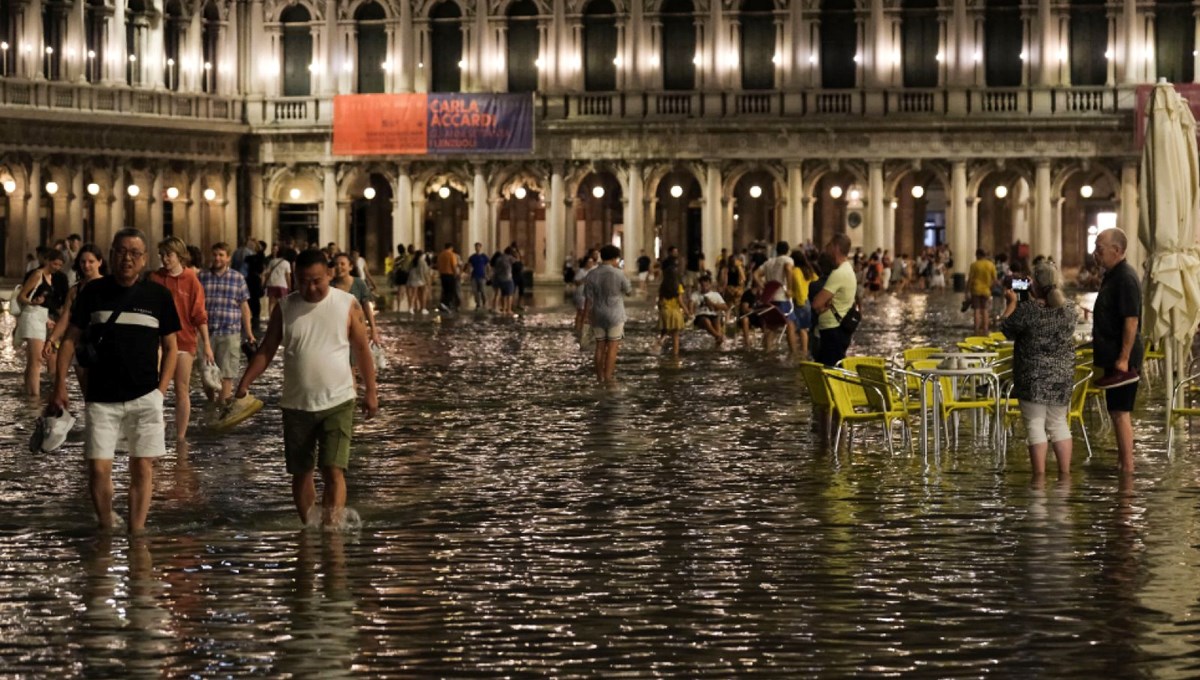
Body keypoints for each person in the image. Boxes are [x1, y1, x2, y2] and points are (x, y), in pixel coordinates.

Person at [234, 248, 378, 527]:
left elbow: (362, 349)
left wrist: (371, 391)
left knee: (333, 468)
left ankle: (331, 529)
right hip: (296, 404)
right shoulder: (285, 307)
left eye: (317, 280)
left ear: (329, 274)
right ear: (294, 279)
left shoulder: (348, 304)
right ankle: (309, 528)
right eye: (303, 281)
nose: (311, 287)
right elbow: (266, 350)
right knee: (301, 472)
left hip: (338, 400)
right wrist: (244, 383)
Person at [50, 228, 181, 533]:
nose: (127, 258)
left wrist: (161, 391)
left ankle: (137, 531)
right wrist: (60, 384)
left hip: (145, 395)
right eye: (121, 251)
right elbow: (70, 341)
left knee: (143, 466)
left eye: (134, 253)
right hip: (101, 395)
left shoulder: (158, 295)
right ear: (111, 255)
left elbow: (172, 347)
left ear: (144, 258)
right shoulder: (93, 293)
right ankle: (107, 525)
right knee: (97, 467)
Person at [1000, 260, 1079, 482]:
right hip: (1061, 376)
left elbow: (1006, 329)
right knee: (1058, 423)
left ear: (1033, 285)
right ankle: (1064, 476)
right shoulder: (1070, 310)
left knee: (1035, 425)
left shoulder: (1028, 311)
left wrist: (1011, 303)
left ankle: (1039, 479)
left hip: (1032, 376)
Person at [150, 236, 214, 441]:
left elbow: (199, 314)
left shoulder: (192, 280)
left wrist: (207, 345)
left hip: (185, 341)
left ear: (179, 255)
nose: (165, 259)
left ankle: (180, 435)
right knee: (155, 386)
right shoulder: (155, 278)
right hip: (158, 340)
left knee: (182, 388)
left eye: (169, 255)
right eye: (162, 255)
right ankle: (156, 426)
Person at [1091, 227, 1143, 475]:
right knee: (1115, 411)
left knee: (1121, 413)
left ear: (1117, 250)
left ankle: (1127, 469)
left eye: (1100, 250)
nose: (1096, 254)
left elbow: (1131, 320)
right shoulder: (1112, 275)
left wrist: (1123, 357)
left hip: (1123, 357)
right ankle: (1122, 464)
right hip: (1112, 354)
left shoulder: (1125, 277)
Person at [45, 245, 107, 395]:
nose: (86, 265)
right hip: (81, 344)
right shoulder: (75, 289)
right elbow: (66, 317)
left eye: (91, 261)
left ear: (100, 262)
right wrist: (51, 339)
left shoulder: (108, 286)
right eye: (82, 262)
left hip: (105, 345)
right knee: (87, 393)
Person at [198, 242, 257, 404]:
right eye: (215, 254)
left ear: (228, 258)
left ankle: (223, 407)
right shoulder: (202, 277)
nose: (217, 258)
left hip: (230, 332)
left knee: (227, 373)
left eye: (221, 255)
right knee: (206, 373)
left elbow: (244, 307)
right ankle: (211, 403)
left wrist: (249, 333)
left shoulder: (237, 279)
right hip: (206, 334)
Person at [16, 248, 69, 397]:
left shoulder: (51, 277)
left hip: (42, 317)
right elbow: (21, 296)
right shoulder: (37, 274)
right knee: (37, 360)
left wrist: (48, 319)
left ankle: (29, 394)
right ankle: (35, 397)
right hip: (32, 317)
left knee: (34, 360)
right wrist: (33, 302)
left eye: (60, 265)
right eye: (55, 264)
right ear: (47, 260)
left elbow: (48, 303)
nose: (57, 267)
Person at [582, 245, 633, 382]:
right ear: (615, 258)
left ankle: (600, 378)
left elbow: (588, 297)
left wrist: (586, 317)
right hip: (615, 314)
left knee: (599, 346)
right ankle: (608, 377)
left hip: (597, 313)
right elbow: (629, 291)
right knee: (612, 346)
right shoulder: (618, 273)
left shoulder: (592, 274)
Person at [810, 233, 857, 367]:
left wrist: (822, 305)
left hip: (833, 329)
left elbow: (816, 303)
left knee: (831, 370)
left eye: (829, 245)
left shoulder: (838, 273)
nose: (826, 249)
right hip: (835, 327)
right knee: (828, 368)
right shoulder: (847, 269)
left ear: (836, 248)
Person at [755, 241, 799, 354]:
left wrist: (763, 286)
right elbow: (788, 269)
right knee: (790, 325)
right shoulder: (787, 260)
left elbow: (755, 274)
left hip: (770, 298)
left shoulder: (769, 262)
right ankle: (793, 353)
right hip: (782, 298)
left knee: (771, 326)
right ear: (787, 251)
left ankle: (767, 351)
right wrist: (789, 288)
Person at [331, 252, 382, 344]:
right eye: (336, 264)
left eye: (342, 264)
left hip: (356, 329)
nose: (339, 267)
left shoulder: (359, 284)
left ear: (350, 267)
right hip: (335, 331)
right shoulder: (329, 286)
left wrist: (373, 330)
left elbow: (367, 308)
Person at [965, 249, 998, 335]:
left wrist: (967, 291)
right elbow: (995, 280)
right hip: (986, 291)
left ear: (978, 255)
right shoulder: (991, 265)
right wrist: (989, 287)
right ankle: (985, 329)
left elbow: (970, 279)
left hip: (975, 290)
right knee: (985, 310)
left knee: (976, 310)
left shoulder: (974, 265)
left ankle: (976, 329)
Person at [691, 275, 727, 348]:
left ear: (710, 284)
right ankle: (718, 336)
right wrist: (690, 312)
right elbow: (691, 303)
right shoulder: (695, 294)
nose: (704, 287)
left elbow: (725, 307)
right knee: (706, 320)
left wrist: (712, 304)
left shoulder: (715, 294)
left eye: (706, 285)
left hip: (713, 315)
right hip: (701, 316)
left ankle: (718, 342)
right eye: (702, 285)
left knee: (717, 320)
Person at [657, 267, 686, 357]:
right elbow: (681, 302)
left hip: (665, 312)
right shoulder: (678, 286)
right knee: (675, 336)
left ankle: (657, 346)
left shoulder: (662, 286)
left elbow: (659, 302)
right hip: (674, 313)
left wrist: (660, 311)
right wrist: (688, 312)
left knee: (664, 332)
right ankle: (675, 357)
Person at [263, 245, 292, 317]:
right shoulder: (286, 263)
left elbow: (268, 273)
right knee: (282, 303)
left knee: (271, 303)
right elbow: (288, 276)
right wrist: (289, 286)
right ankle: (281, 318)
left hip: (272, 283)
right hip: (282, 285)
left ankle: (271, 318)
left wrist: (264, 283)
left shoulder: (272, 262)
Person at [436, 243, 461, 311]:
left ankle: (443, 304)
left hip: (442, 275)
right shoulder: (452, 255)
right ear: (451, 247)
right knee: (451, 291)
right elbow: (454, 265)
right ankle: (447, 304)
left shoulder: (440, 254)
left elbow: (438, 265)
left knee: (445, 290)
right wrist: (456, 274)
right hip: (450, 274)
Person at [406, 249, 432, 314]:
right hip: (420, 280)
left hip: (412, 280)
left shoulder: (412, 261)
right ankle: (423, 308)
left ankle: (412, 307)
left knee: (414, 294)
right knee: (423, 294)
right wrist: (428, 282)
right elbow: (426, 273)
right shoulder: (423, 262)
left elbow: (408, 270)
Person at [466, 242, 490, 310]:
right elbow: (469, 266)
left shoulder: (484, 256)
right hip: (474, 275)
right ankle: (478, 303)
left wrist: (488, 274)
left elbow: (488, 266)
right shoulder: (472, 257)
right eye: (476, 247)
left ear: (480, 247)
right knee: (475, 291)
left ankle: (484, 302)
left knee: (482, 290)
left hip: (482, 275)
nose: (477, 248)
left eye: (478, 247)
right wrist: (468, 274)